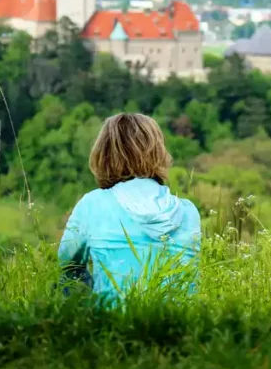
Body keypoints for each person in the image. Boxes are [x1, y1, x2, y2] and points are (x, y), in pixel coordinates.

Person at [58, 113, 201, 300]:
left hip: (114, 323)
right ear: (158, 152)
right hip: (180, 324)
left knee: (64, 281)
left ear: (105, 154)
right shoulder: (188, 212)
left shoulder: (92, 204)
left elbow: (67, 265)